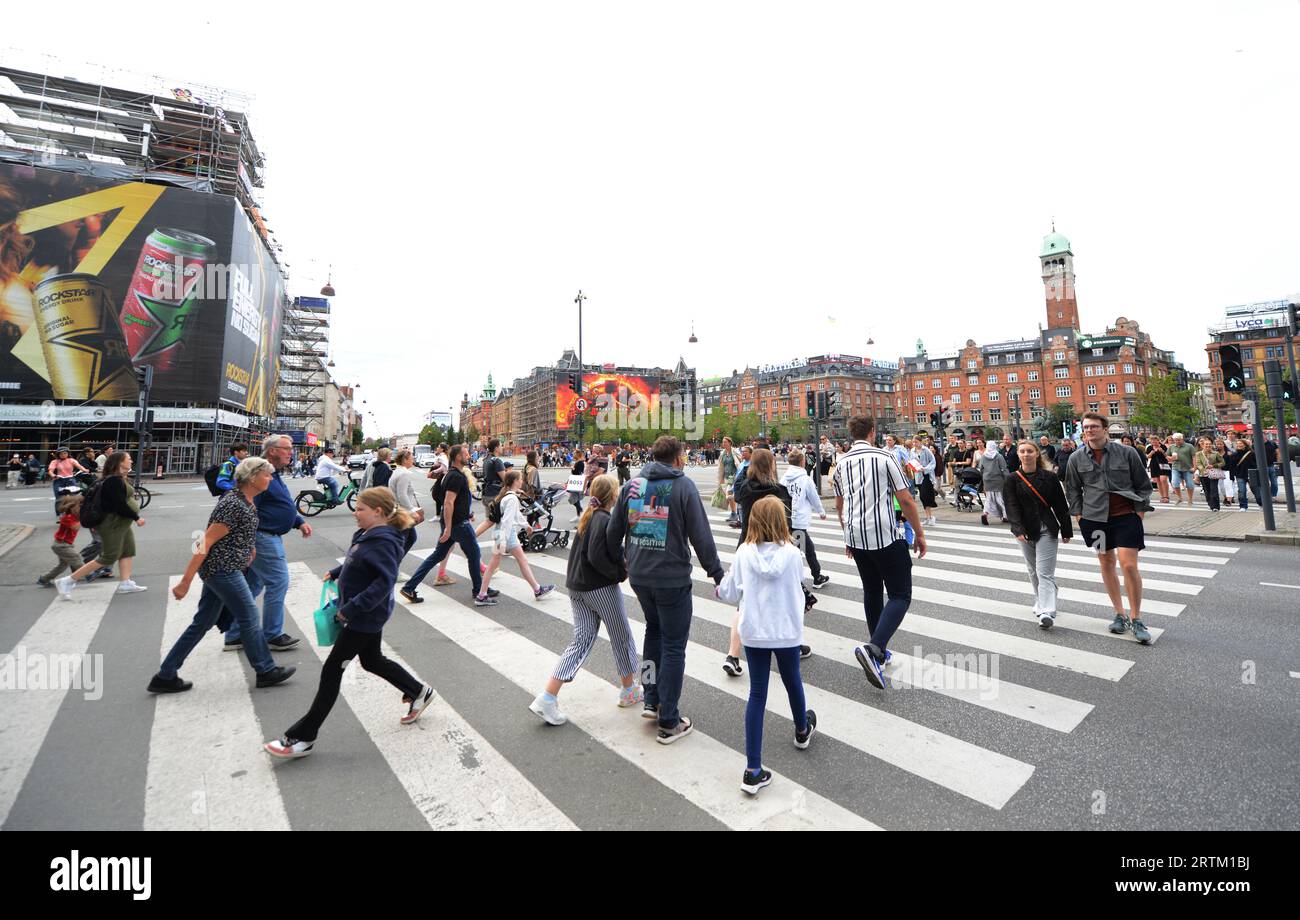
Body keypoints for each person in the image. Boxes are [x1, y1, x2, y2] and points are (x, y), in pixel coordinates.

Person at [264, 487, 431, 758]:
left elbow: (384, 580)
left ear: (377, 512)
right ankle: (419, 691)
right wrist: (339, 571)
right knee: (372, 660)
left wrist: (352, 608)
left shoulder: (384, 539)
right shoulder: (369, 534)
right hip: (362, 615)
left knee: (331, 671)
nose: (355, 512)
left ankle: (303, 737)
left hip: (363, 617)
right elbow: (362, 562)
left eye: (361, 509)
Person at [608, 435, 724, 744]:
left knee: (653, 634)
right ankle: (669, 719)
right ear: (677, 457)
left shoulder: (631, 486)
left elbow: (611, 533)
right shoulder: (683, 486)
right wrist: (716, 573)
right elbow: (701, 536)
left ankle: (650, 698)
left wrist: (623, 562)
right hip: (671, 578)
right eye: (684, 455)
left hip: (640, 577)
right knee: (674, 646)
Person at [147, 457, 296, 693]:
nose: (270, 478)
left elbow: (239, 532)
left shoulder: (245, 499)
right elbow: (203, 541)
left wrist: (250, 548)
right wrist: (185, 581)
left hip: (224, 568)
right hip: (222, 571)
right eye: (266, 475)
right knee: (249, 617)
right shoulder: (233, 504)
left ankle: (165, 675)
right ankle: (266, 670)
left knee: (202, 623)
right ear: (252, 477)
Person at [716, 496, 816, 796]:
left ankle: (753, 769)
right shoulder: (793, 554)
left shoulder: (744, 553)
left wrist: (720, 588)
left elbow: (730, 593)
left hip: (754, 631)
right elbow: (798, 587)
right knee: (792, 680)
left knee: (757, 694)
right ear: (782, 521)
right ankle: (801, 730)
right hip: (786, 631)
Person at [529, 474, 641, 724]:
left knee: (580, 641)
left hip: (577, 586)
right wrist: (620, 573)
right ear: (613, 496)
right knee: (621, 637)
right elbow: (598, 555)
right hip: (599, 587)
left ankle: (547, 697)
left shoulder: (589, 516)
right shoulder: (604, 519)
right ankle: (629, 689)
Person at [834, 415, 927, 689]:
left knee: (872, 591)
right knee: (900, 594)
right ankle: (875, 648)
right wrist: (919, 533)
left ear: (852, 434)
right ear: (873, 432)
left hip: (856, 535)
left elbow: (840, 505)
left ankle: (878, 653)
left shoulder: (841, 463)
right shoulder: (885, 458)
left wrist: (847, 535)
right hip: (884, 534)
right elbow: (905, 499)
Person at [1064, 412, 1154, 645]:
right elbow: (1072, 489)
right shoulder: (1076, 458)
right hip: (1095, 519)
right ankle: (1119, 614)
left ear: (1105, 430)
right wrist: (1079, 515)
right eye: (1086, 427)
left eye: (1094, 426)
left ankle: (1136, 617)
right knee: (1106, 562)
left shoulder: (1127, 452)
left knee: (1129, 565)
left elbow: (1143, 484)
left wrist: (1140, 510)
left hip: (1126, 517)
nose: (1090, 430)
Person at [223, 434, 307, 653]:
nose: (291, 452)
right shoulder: (259, 473)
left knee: (252, 586)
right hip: (262, 536)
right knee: (278, 581)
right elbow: (248, 504)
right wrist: (249, 541)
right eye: (287, 448)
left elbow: (280, 503)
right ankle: (273, 634)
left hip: (266, 535)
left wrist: (297, 521)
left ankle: (234, 634)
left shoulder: (272, 473)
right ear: (272, 450)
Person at [401, 445, 493, 604]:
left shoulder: (452, 474)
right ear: (457, 457)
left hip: (454, 522)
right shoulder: (456, 476)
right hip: (458, 524)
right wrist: (449, 528)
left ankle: (409, 587)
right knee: (474, 554)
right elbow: (448, 502)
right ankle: (479, 591)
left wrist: (466, 514)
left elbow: (455, 502)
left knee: (438, 555)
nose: (468, 455)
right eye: (465, 454)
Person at [55, 451, 147, 598]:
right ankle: (67, 581)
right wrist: (136, 518)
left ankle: (125, 583)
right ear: (120, 462)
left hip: (122, 522)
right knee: (108, 557)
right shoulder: (113, 480)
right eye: (128, 459)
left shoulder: (120, 478)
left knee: (128, 551)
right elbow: (119, 505)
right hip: (112, 523)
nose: (131, 461)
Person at [1003, 441, 1073, 628]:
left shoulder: (1050, 477)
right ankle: (1040, 599)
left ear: (1036, 454)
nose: (1026, 454)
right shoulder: (1012, 479)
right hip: (1025, 529)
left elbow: (1060, 504)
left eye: (1030, 451)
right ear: (1018, 454)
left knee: (1044, 572)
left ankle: (1047, 610)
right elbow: (1011, 506)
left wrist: (1066, 529)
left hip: (1046, 528)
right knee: (1033, 570)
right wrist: (1017, 529)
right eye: (1023, 451)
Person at [476, 470, 555, 605]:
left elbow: (515, 515)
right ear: (515, 482)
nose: (522, 481)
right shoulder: (511, 498)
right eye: (520, 479)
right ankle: (482, 595)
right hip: (506, 535)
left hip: (501, 533)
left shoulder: (507, 496)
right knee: (513, 562)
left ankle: (537, 589)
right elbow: (507, 520)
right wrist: (504, 540)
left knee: (511, 562)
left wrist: (526, 526)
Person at [782, 449, 830, 588]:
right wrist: (821, 512)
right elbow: (814, 498)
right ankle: (816, 577)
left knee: (794, 549)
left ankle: (808, 577)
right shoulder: (805, 479)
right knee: (807, 550)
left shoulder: (784, 478)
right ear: (802, 462)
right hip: (798, 520)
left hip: (786, 518)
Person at [38, 493, 85, 587]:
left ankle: (44, 579)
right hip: (61, 545)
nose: (80, 509)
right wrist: (84, 518)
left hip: (64, 545)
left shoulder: (74, 517)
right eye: (78, 507)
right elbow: (75, 527)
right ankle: (88, 574)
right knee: (77, 558)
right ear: (71, 508)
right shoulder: (67, 518)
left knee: (62, 566)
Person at [389, 448, 425, 554]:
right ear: (405, 460)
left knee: (410, 538)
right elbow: (402, 495)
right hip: (403, 512)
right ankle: (393, 562)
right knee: (403, 540)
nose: (413, 460)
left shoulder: (397, 471)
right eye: (411, 458)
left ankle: (393, 561)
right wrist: (411, 511)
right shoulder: (404, 473)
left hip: (398, 510)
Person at [47, 447, 87, 516]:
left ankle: (73, 512)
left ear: (68, 453)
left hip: (70, 480)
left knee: (74, 497)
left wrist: (85, 470)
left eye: (65, 453)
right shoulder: (55, 461)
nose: (63, 455)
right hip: (59, 480)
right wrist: (54, 476)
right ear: (58, 454)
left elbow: (79, 466)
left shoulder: (71, 460)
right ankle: (59, 514)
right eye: (61, 453)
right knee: (59, 498)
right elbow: (50, 471)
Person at [978, 438, 1009, 526]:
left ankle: (985, 513)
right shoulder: (998, 456)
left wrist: (984, 477)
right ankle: (1005, 516)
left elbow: (981, 468)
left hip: (987, 479)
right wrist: (1008, 478)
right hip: (998, 479)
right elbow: (1003, 468)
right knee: (1000, 498)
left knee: (989, 498)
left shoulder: (984, 456)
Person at [911, 437, 938, 526]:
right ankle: (928, 517)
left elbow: (933, 461)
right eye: (913, 442)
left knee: (925, 495)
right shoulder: (912, 451)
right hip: (918, 475)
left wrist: (925, 469)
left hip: (927, 475)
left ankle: (931, 517)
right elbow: (911, 461)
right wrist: (914, 468)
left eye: (916, 442)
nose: (915, 444)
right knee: (922, 497)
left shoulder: (926, 450)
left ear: (920, 442)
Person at [1193, 436, 1225, 512]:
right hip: (1203, 474)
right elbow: (1198, 463)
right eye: (1206, 444)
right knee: (1207, 491)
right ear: (1202, 445)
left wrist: (1214, 466)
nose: (1208, 446)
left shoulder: (1216, 453)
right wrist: (1203, 469)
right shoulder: (1198, 454)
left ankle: (1216, 506)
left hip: (1213, 474)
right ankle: (1210, 504)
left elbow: (1222, 463)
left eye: (1209, 444)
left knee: (1214, 490)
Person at [1226, 437, 1256, 512]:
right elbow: (1231, 466)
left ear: (1245, 445)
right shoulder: (1234, 455)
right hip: (1240, 475)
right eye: (1238, 444)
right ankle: (1243, 506)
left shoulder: (1251, 453)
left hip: (1250, 474)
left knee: (1255, 489)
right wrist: (1231, 476)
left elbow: (1255, 464)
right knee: (1242, 491)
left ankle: (1260, 502)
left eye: (1241, 443)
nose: (1239, 445)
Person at [1167, 432, 1196, 507]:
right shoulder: (1172, 447)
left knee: (1190, 484)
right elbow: (1167, 456)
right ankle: (1180, 498)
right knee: (1175, 483)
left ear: (1182, 439)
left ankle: (1190, 499)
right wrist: (1170, 458)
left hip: (1188, 468)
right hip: (1176, 467)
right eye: (1175, 440)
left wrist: (1194, 467)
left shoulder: (1189, 446)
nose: (1177, 441)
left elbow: (1194, 457)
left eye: (1179, 440)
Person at [1146, 436, 1171, 503]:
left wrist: (1162, 451)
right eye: (1152, 441)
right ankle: (1162, 496)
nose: (1154, 442)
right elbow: (1147, 456)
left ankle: (1166, 496)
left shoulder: (1163, 446)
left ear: (1158, 440)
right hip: (1154, 465)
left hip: (1163, 464)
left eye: (1155, 441)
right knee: (1158, 481)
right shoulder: (1149, 447)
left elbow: (1167, 456)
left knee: (1163, 479)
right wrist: (1152, 452)